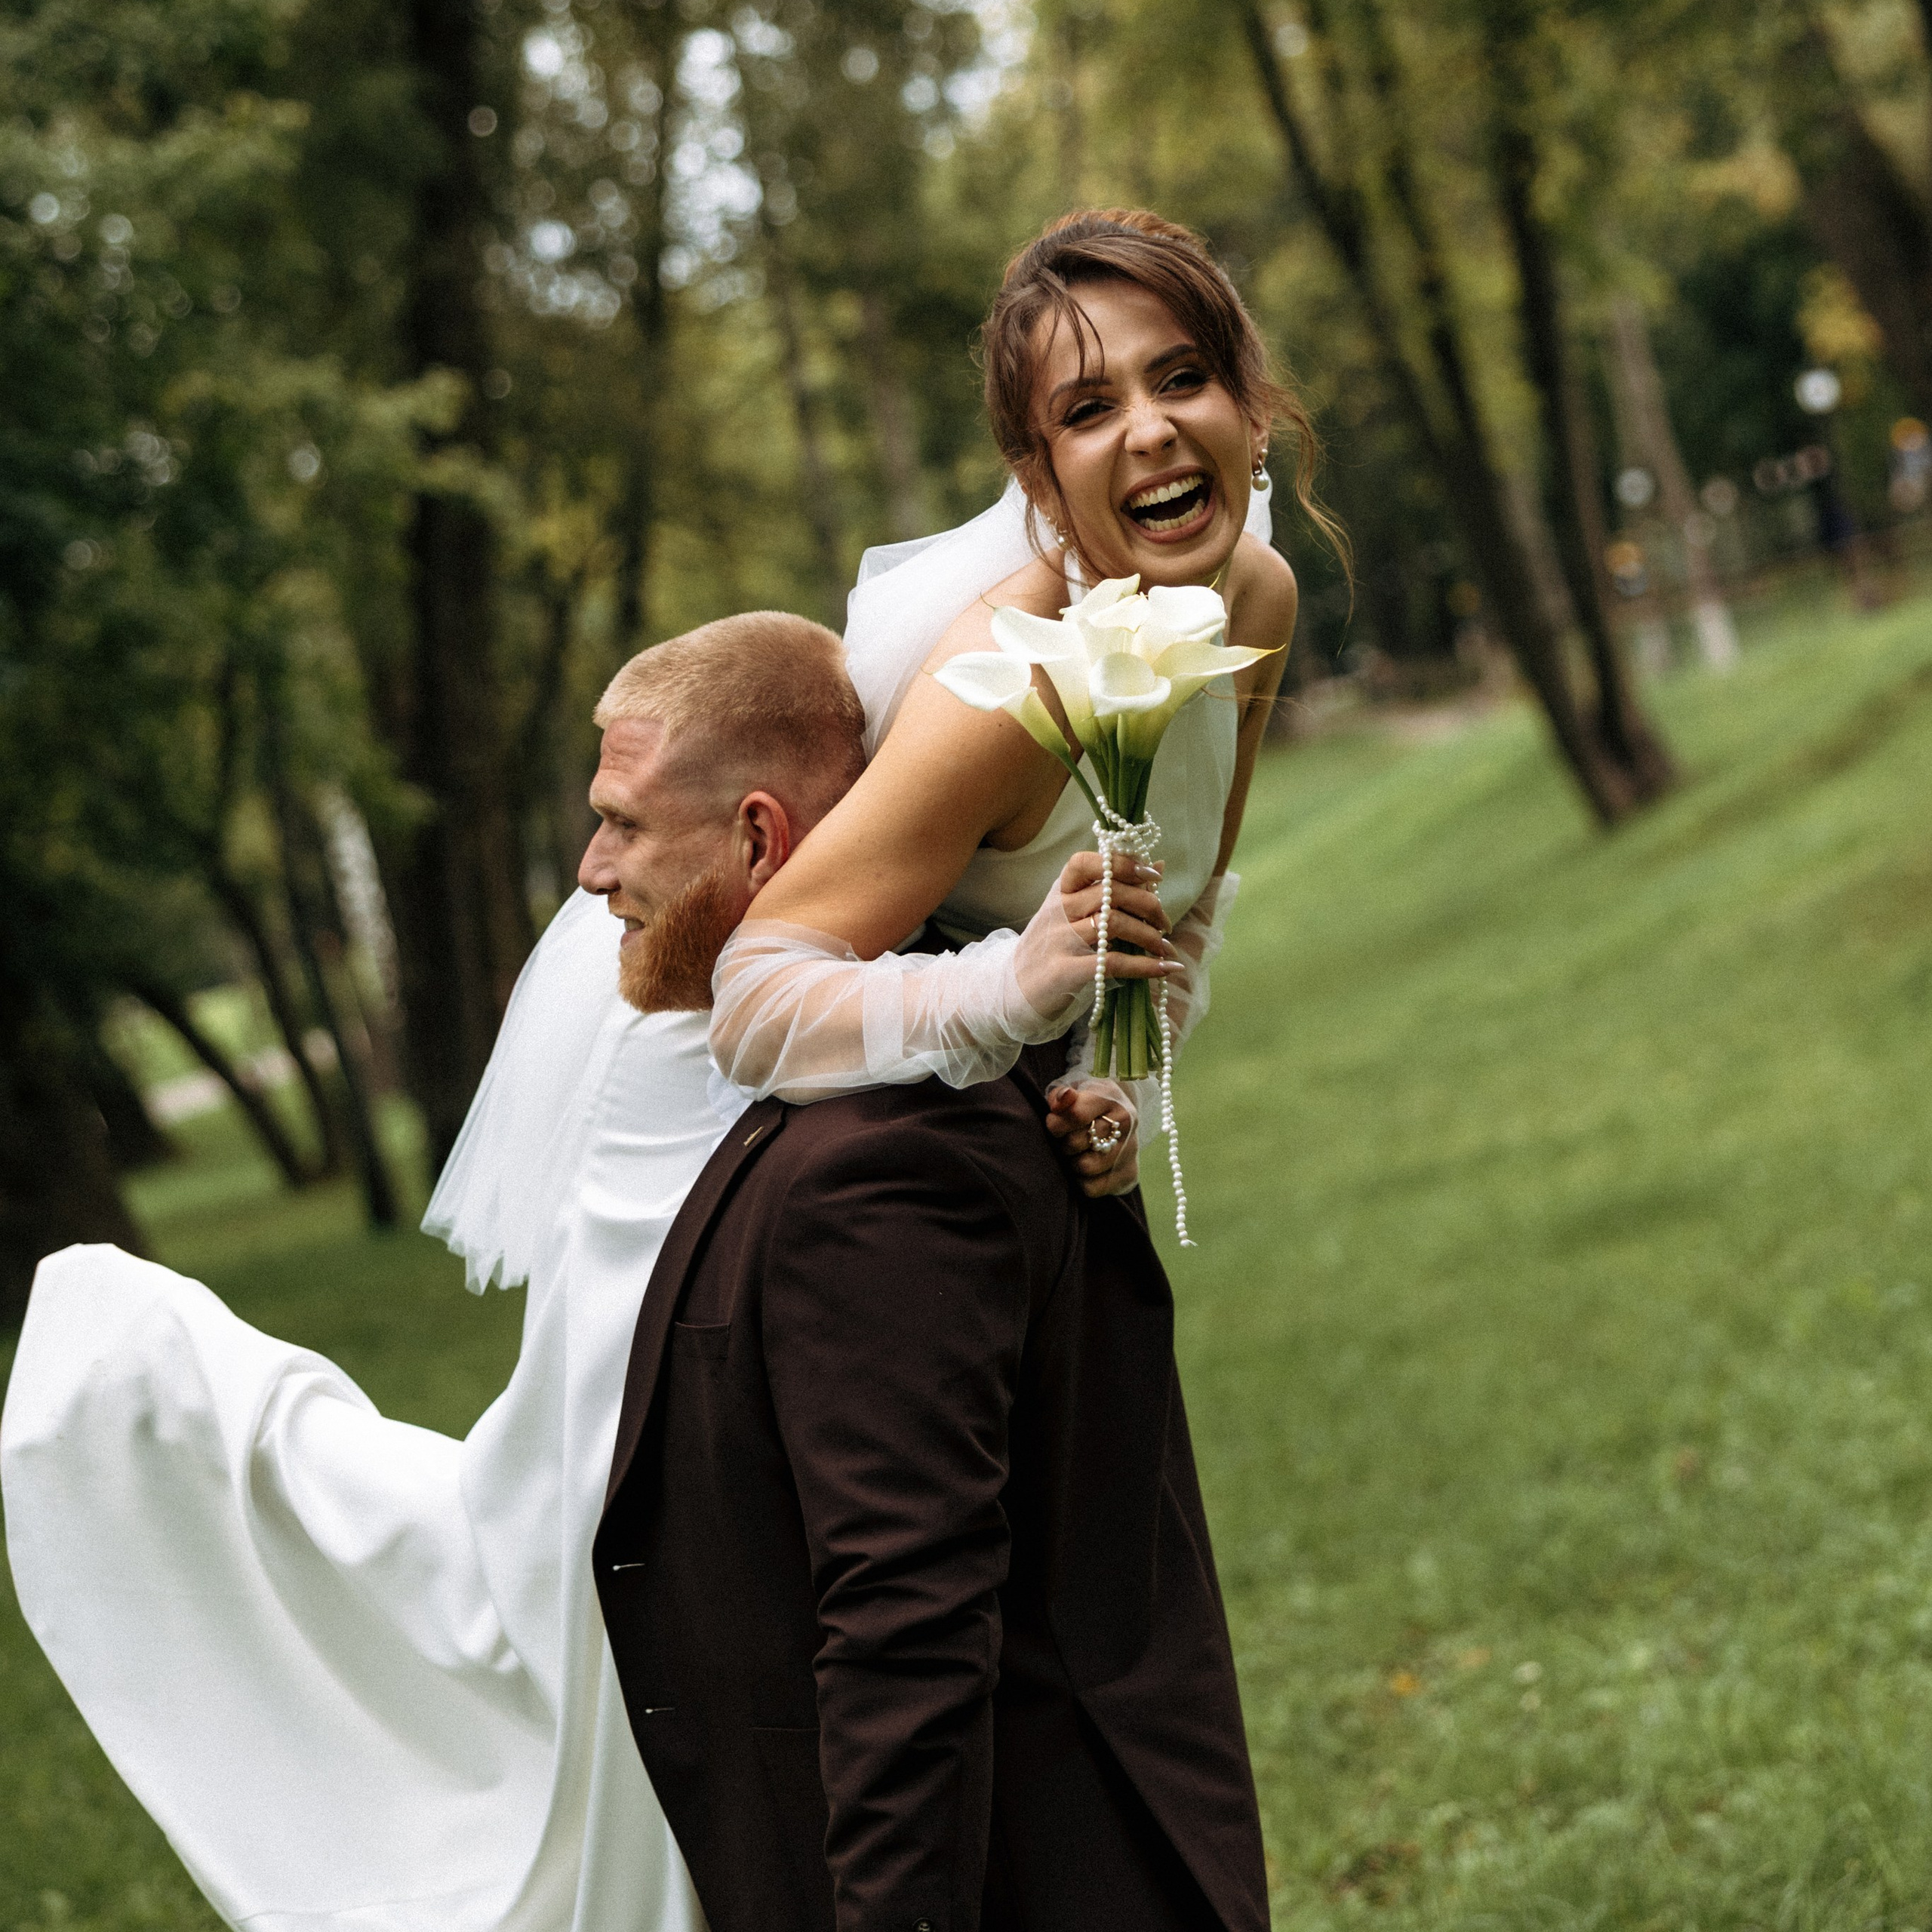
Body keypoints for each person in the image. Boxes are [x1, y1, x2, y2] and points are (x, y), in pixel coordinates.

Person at [1, 205, 1318, 1928]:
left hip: (939, 1068)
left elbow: (1186, 896)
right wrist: (1014, 986)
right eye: (1087, 411)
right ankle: (167, 1416)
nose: (1149, 430)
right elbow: (766, 984)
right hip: (737, 1058)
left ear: (1248, 401)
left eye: (1182, 377)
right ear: (1036, 473)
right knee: (588, 1573)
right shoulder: (1007, 681)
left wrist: (1113, 1079)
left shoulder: (1254, 591)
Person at [583, 631, 1266, 1932]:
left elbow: (909, 1633)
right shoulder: (858, 1096)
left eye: (620, 824)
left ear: (761, 841)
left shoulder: (880, 1171)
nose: (592, 870)